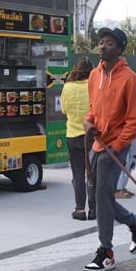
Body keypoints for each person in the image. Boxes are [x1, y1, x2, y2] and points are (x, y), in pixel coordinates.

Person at [83, 28, 136, 271]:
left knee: (102, 197)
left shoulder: (128, 79)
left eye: (109, 43)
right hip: (96, 144)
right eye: (101, 42)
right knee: (98, 198)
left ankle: (106, 251)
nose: (102, 46)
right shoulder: (94, 75)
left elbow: (135, 120)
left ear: (120, 49)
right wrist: (88, 121)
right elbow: (93, 108)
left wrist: (118, 145)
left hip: (114, 147)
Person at [61, 57, 95, 220]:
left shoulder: (67, 87)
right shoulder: (93, 86)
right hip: (92, 135)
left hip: (73, 135)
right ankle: (94, 209)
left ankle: (80, 209)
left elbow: (64, 109)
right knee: (93, 173)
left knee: (78, 173)